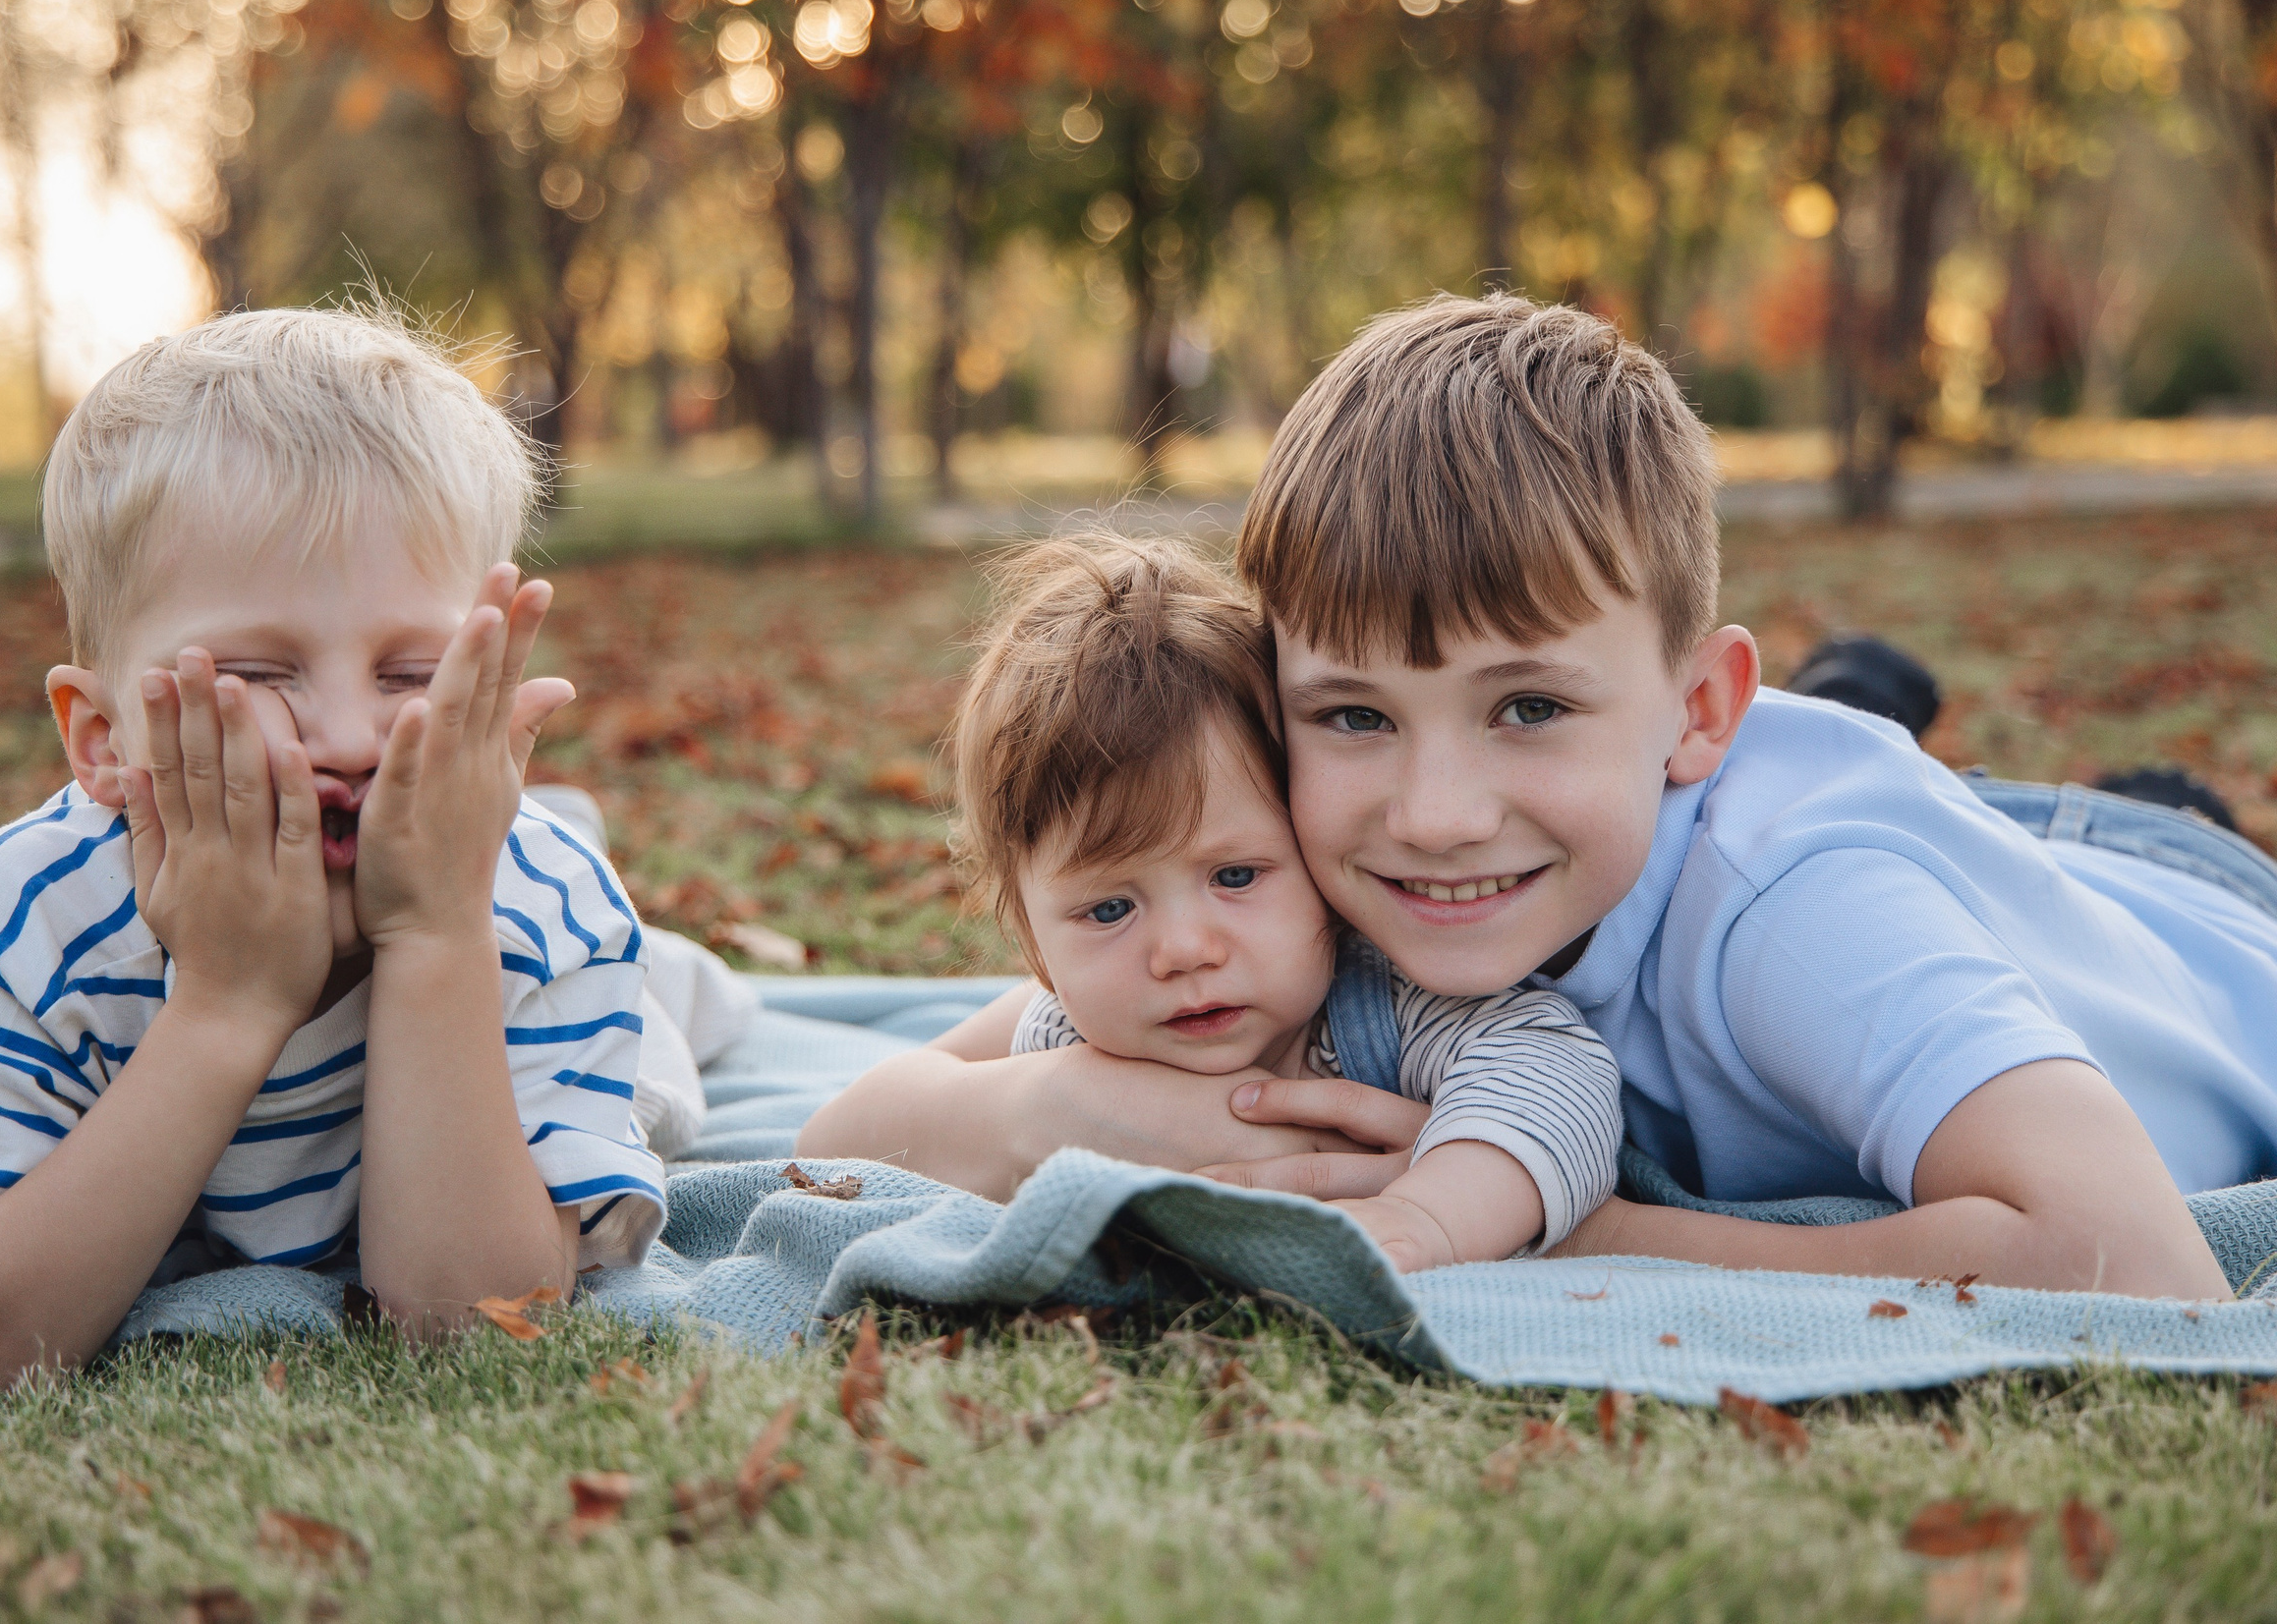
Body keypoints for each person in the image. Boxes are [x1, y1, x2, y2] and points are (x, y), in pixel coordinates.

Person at [827, 292, 2277, 1303]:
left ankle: (2003, 761)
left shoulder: (1802, 920)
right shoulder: (1348, 868)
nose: (1435, 813)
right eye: (1353, 713)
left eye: (1526, 705)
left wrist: (1590, 1233)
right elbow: (851, 1129)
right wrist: (1062, 1103)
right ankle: (1839, 710)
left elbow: (2140, 1263)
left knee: (1892, 822)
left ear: (1696, 708)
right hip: (1855, 814)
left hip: (2194, 917)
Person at [0, 306, 666, 1384]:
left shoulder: (549, 905)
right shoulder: (23, 927)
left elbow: (479, 1328)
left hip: (554, 972)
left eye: (411, 675)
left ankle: (680, 991)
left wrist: (438, 934)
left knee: (669, 1054)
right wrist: (226, 1003)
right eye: (255, 675)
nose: (347, 740)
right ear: (103, 741)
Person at [796, 534, 1623, 1269]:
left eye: (1235, 877)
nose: (1185, 949)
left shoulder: (1386, 1006)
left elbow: (1556, 1078)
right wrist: (1036, 1106)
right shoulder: (1063, 1034)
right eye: (1109, 910)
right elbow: (830, 1145)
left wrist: (1426, 1216)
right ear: (1035, 946)